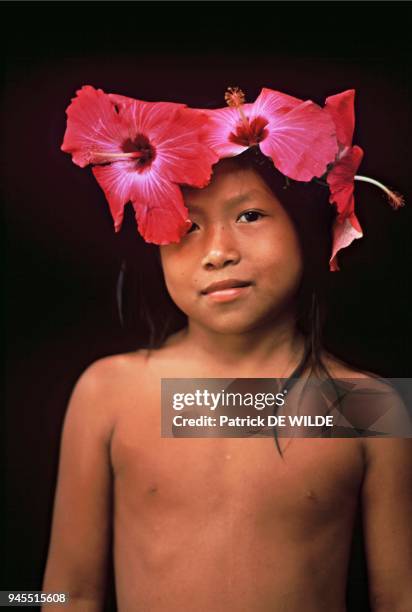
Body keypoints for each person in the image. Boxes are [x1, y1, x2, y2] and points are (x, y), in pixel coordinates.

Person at [42, 85, 412, 611]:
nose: (218, 252)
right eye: (187, 226)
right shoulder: (108, 394)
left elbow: (399, 598)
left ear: (305, 230)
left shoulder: (368, 408)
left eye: (249, 216)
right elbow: (65, 592)